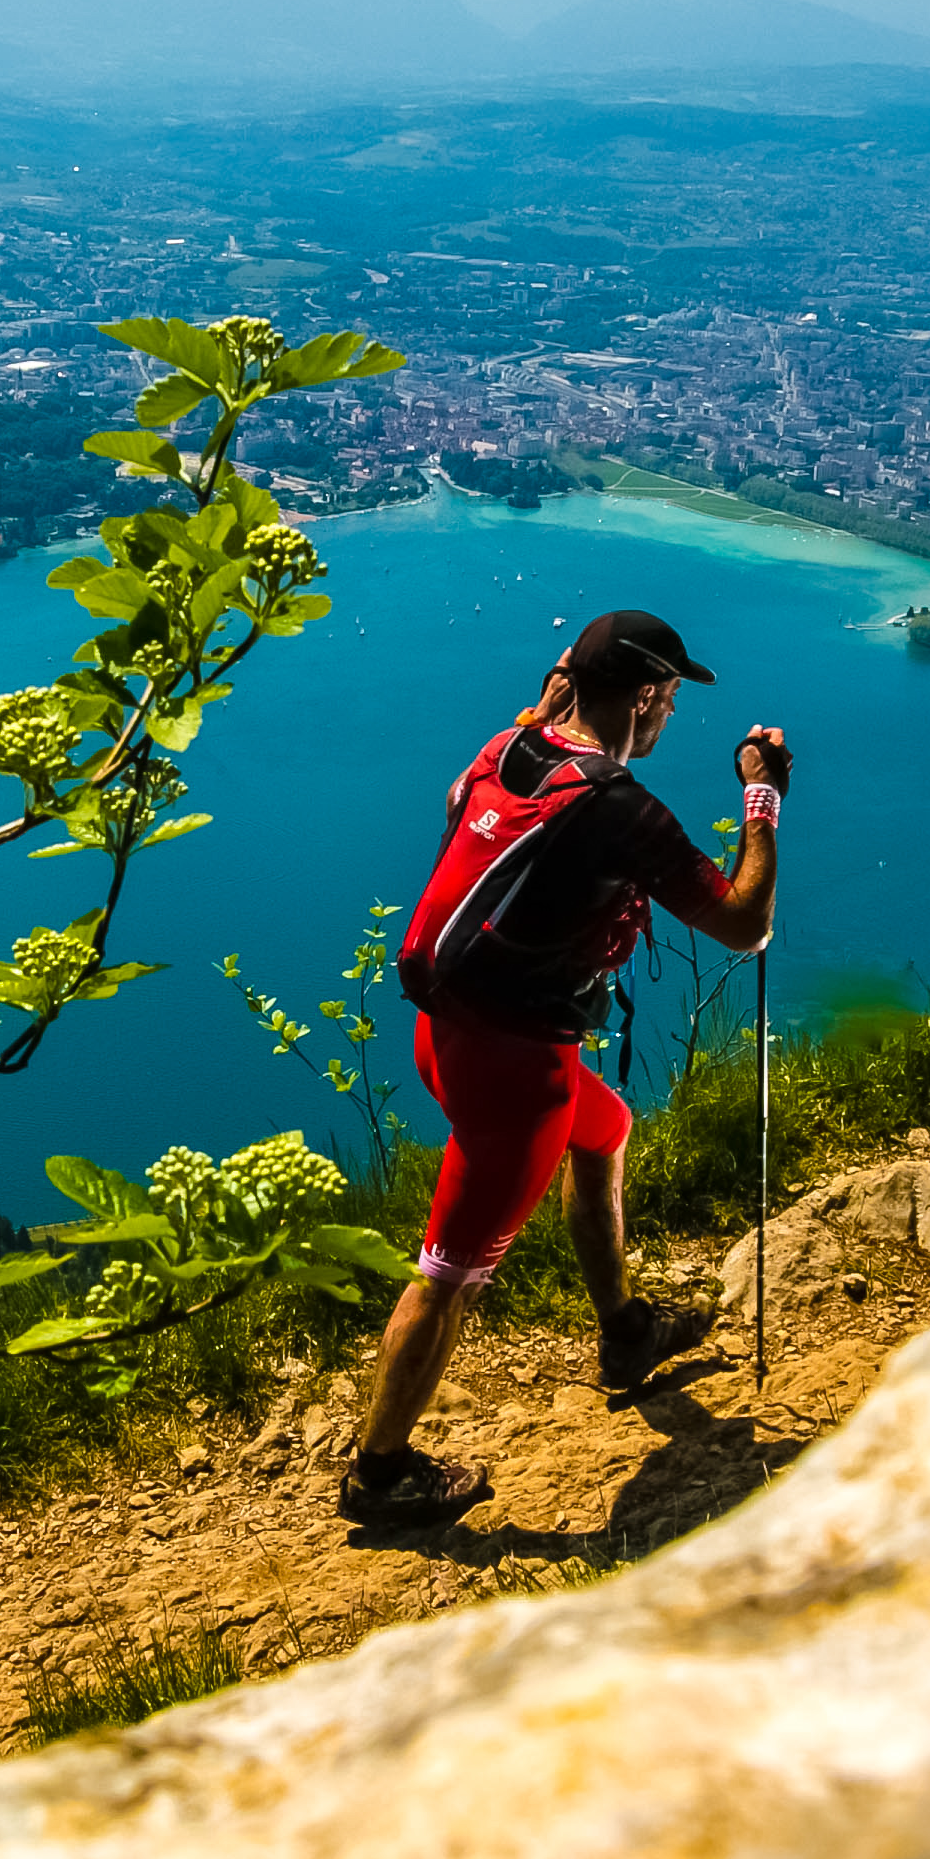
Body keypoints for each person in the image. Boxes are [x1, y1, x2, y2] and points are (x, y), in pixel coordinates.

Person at [338, 605, 788, 1529]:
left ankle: (625, 1333)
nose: (669, 717)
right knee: (449, 1273)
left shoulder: (509, 748)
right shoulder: (619, 811)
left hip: (444, 1034)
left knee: (608, 1128)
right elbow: (746, 925)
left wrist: (555, 697)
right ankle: (379, 1478)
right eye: (668, 699)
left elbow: (541, 718)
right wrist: (762, 799)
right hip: (517, 1073)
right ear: (655, 696)